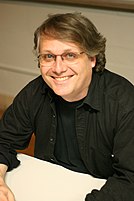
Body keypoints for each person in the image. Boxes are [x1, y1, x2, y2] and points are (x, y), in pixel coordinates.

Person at [0, 12, 134, 201]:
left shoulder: (124, 102)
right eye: (48, 56)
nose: (58, 68)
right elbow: (4, 139)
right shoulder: (35, 91)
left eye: (69, 55)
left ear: (92, 58)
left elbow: (130, 180)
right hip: (49, 186)